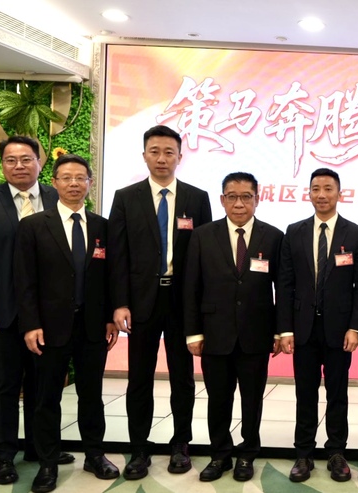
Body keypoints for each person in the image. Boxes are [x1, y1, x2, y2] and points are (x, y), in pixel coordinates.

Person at [109, 125, 212, 480]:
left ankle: (181, 444)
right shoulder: (126, 197)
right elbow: (118, 256)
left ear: (180, 157)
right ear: (144, 156)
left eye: (169, 152)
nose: (162, 158)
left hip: (182, 301)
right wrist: (120, 302)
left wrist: (202, 307)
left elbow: (206, 255)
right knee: (139, 377)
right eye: (155, 151)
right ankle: (139, 448)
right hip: (141, 302)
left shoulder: (197, 198)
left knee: (183, 377)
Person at [13, 154, 121, 492]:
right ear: (55, 182)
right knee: (47, 398)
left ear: (90, 183)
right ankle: (48, 463)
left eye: (80, 178)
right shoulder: (33, 225)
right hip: (48, 327)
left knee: (92, 395)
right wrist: (31, 324)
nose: (74, 184)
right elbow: (24, 280)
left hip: (92, 327)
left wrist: (110, 318)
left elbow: (110, 277)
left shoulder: (102, 226)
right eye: (66, 177)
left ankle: (95, 455)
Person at [0, 136, 75, 485]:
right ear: (2, 165)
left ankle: (38, 447)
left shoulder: (57, 197)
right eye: (11, 160)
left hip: (47, 314)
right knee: (2, 386)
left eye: (27, 159)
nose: (19, 166)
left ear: (40, 163)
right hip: (1, 313)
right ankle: (3, 455)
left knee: (43, 386)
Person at [184, 172, 282, 482]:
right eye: (232, 197)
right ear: (222, 199)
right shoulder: (203, 235)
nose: (239, 203)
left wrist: (279, 331)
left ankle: (247, 453)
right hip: (215, 333)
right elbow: (191, 287)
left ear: (257, 199)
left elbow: (283, 288)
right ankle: (220, 455)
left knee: (252, 400)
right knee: (218, 399)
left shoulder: (273, 236)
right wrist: (193, 332)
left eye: (246, 197)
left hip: (256, 334)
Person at [277, 168, 358, 482]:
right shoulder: (295, 231)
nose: (321, 194)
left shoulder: (355, 233)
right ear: (309, 193)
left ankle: (336, 452)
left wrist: (356, 327)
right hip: (303, 328)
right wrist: (285, 329)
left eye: (328, 188)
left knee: (337, 393)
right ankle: (303, 453)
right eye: (316, 188)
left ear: (339, 194)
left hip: (340, 330)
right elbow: (285, 284)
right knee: (305, 393)